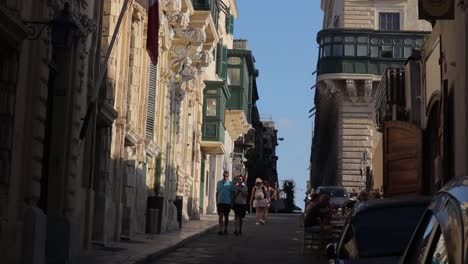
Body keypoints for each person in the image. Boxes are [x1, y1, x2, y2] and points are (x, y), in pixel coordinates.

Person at [216, 170, 234, 235]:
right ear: (223, 175)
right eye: (224, 176)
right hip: (220, 201)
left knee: (226, 216)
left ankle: (226, 229)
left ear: (228, 176)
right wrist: (216, 201)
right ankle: (220, 229)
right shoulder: (219, 183)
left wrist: (232, 202)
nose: (225, 177)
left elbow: (232, 193)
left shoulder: (230, 184)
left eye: (226, 176)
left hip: (227, 202)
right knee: (220, 215)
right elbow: (217, 192)